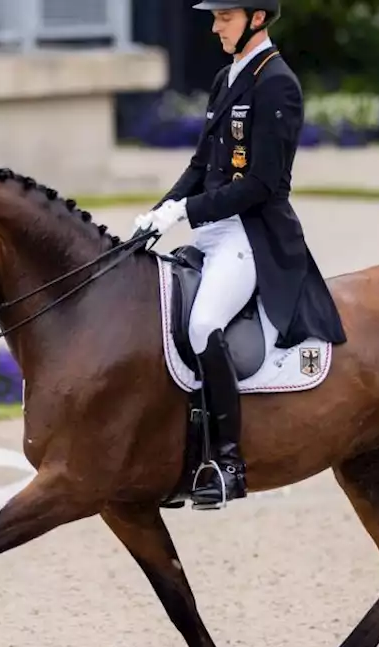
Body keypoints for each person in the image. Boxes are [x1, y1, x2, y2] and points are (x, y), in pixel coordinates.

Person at [133, 0, 347, 510]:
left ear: (256, 18)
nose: (214, 27)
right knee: (157, 315)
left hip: (251, 235)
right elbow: (201, 163)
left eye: (223, 18)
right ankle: (170, 455)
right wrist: (158, 214)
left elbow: (263, 184)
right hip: (214, 229)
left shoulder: (278, 84)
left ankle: (227, 462)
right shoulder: (228, 77)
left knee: (204, 323)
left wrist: (186, 210)